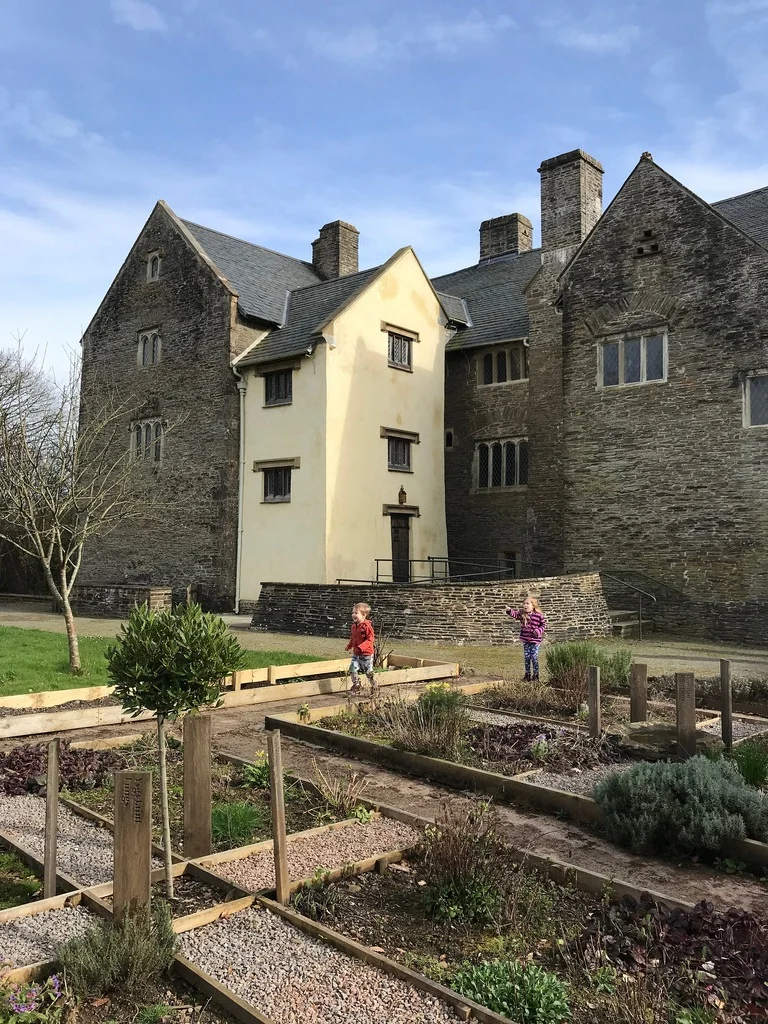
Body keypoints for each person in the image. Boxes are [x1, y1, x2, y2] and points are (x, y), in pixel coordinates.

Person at [505, 596, 547, 682]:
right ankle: (527, 675)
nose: (525, 605)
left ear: (533, 606)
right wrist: (509, 611)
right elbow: (515, 614)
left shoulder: (538, 616)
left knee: (534, 657)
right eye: (524, 603)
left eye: (527, 603)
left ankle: (536, 676)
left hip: (535, 641)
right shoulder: (522, 614)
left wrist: (538, 631)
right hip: (526, 641)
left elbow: (543, 625)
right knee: (527, 658)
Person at [345, 602, 376, 695]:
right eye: (353, 612)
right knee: (352, 669)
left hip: (366, 654)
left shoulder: (367, 627)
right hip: (356, 653)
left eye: (356, 613)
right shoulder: (354, 626)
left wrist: (361, 647)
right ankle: (356, 686)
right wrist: (350, 645)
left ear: (364, 615)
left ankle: (374, 685)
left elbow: (370, 639)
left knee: (368, 672)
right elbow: (354, 637)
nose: (353, 615)